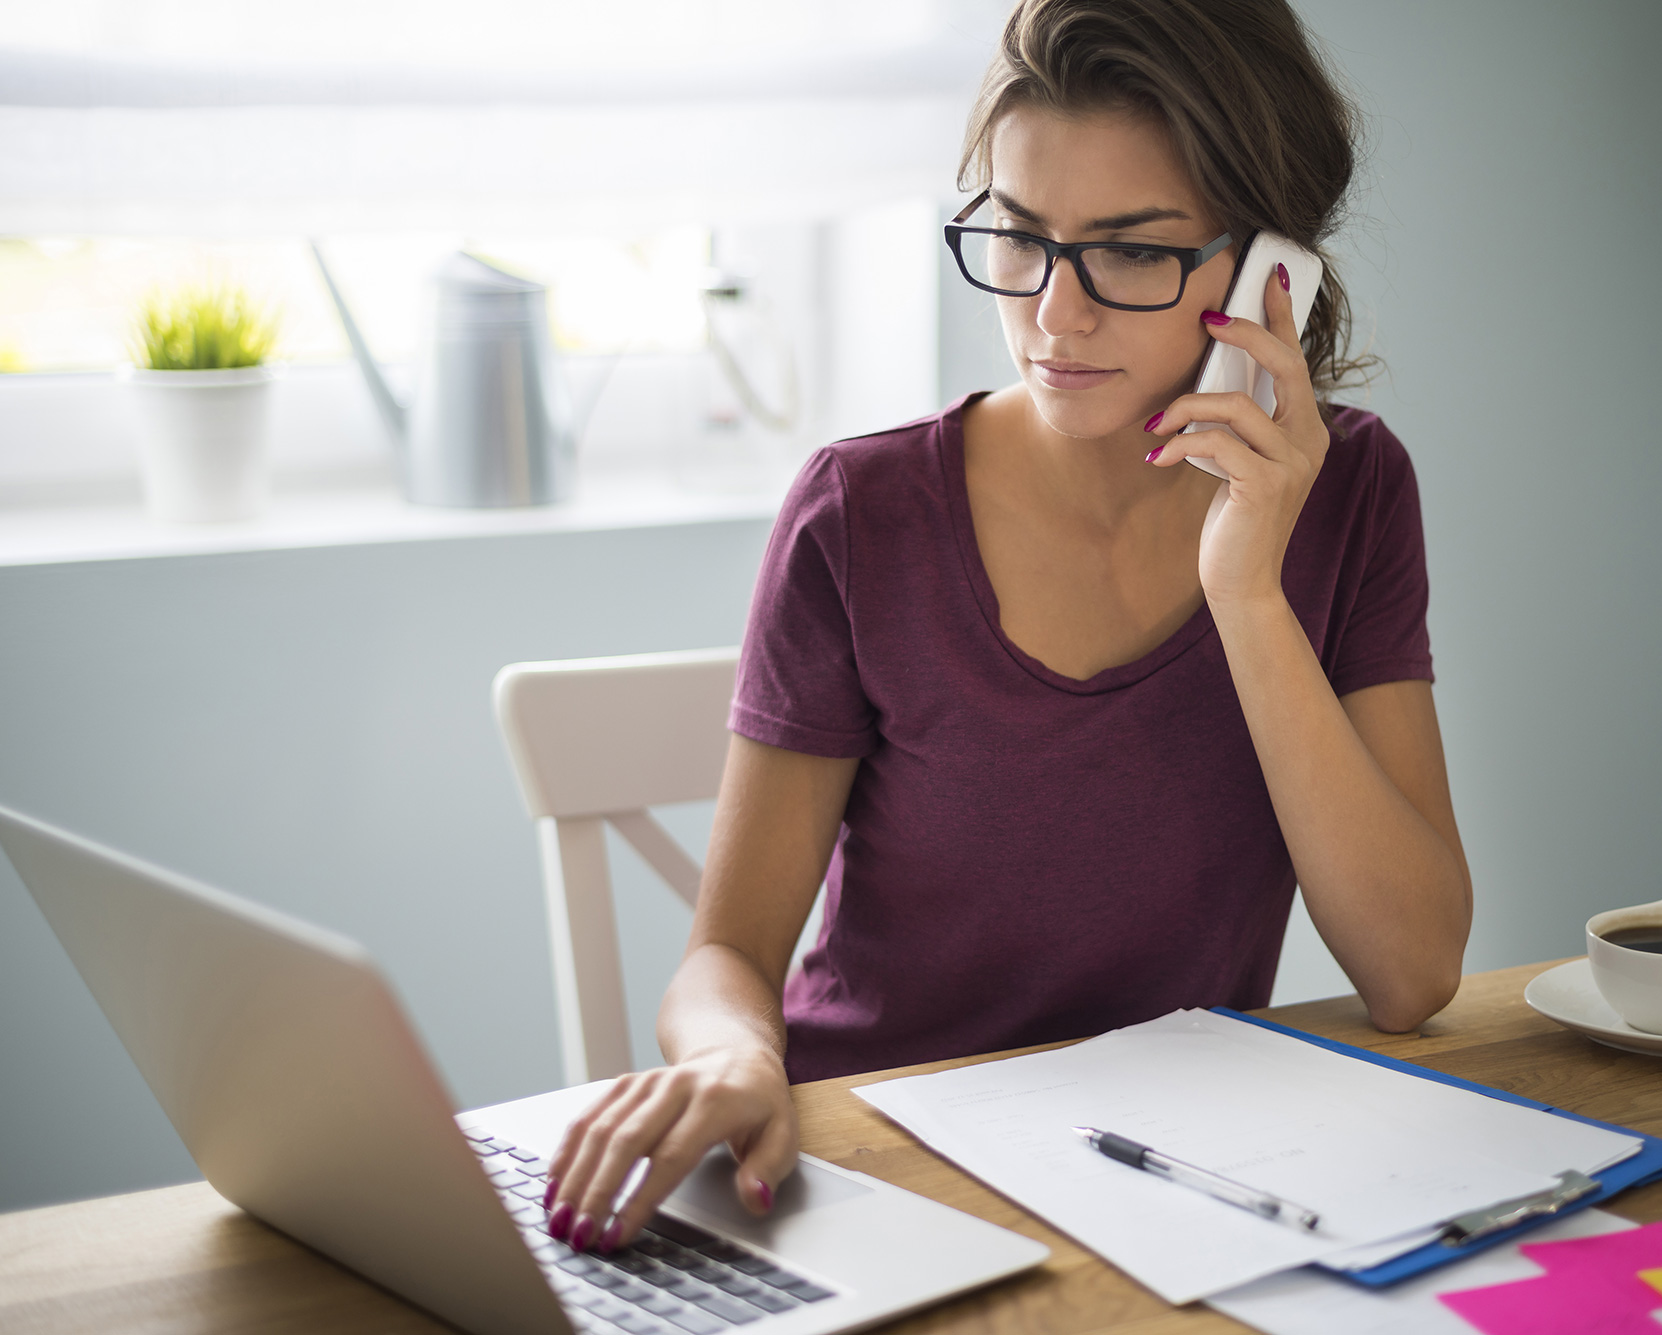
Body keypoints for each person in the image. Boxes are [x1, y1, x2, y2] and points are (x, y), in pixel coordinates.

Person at [541, 0, 1472, 1256]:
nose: (1053, 313)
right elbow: (725, 957)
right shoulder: (857, 513)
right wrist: (733, 1060)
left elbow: (1410, 976)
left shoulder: (1347, 492)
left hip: (1167, 1182)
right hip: (868, 1162)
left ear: (1272, 276)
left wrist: (1246, 592)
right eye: (1018, 238)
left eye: (1130, 253)